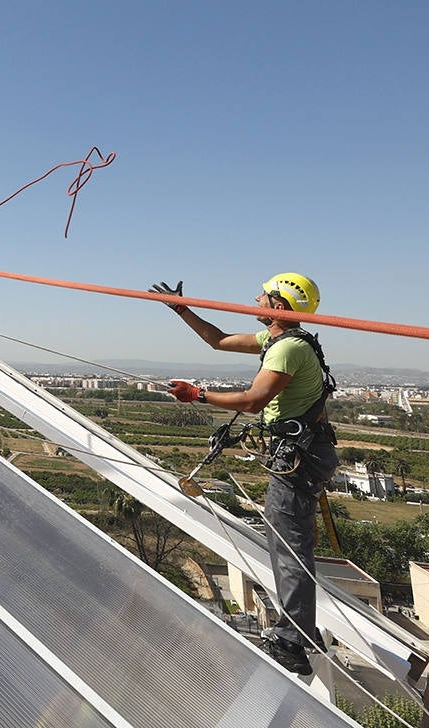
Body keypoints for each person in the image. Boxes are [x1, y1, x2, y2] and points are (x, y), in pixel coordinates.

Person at [152, 273, 338, 675]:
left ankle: (293, 642)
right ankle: (301, 628)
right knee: (287, 538)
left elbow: (254, 402)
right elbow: (217, 340)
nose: (255, 299)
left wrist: (197, 395)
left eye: (264, 296)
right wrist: (182, 310)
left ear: (279, 307)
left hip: (301, 458)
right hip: (305, 453)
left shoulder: (286, 349)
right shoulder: (279, 341)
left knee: (290, 546)